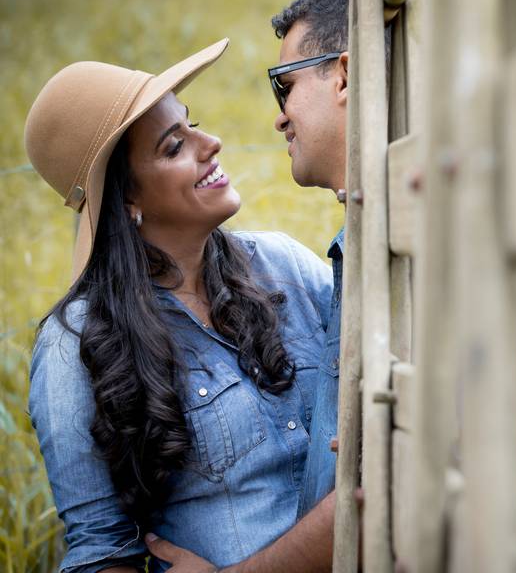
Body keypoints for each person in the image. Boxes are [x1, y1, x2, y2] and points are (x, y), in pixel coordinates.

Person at [146, 0, 516, 572]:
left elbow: (410, 477)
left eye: (285, 87)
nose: (279, 119)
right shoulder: (374, 233)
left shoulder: (415, 234)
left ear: (346, 77)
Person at [25, 39, 337, 572]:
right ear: (128, 200)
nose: (211, 143)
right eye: (174, 146)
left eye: (192, 124)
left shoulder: (286, 267)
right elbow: (102, 554)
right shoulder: (77, 344)